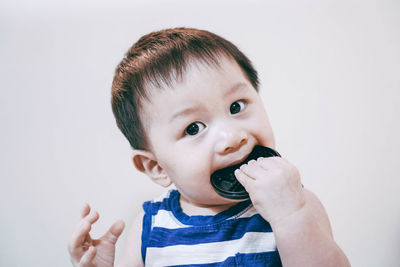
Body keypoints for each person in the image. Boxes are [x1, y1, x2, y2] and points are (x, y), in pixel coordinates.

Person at [68, 27, 350, 266]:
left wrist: (291, 217)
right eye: (193, 128)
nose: (232, 138)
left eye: (236, 106)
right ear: (156, 167)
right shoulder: (150, 227)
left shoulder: (294, 203)